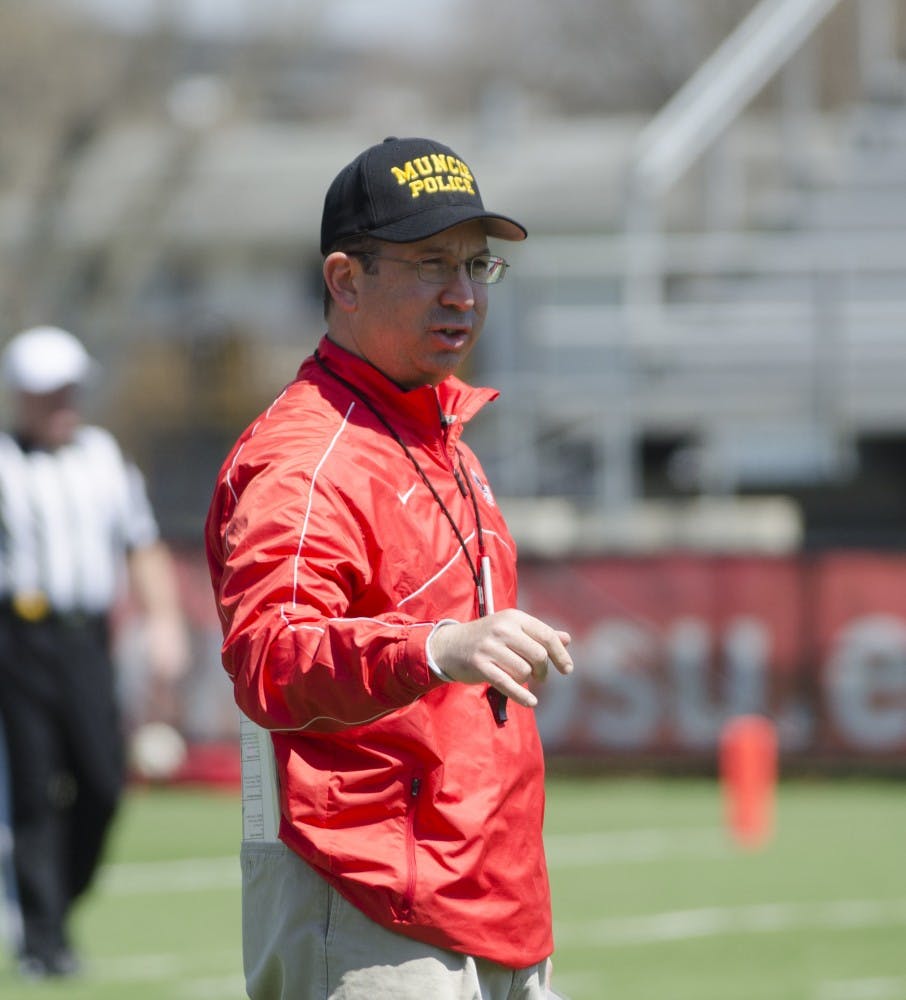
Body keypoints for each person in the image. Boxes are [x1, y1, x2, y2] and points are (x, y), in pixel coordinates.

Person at [205, 136, 574, 1000]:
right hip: (368, 896)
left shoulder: (434, 431)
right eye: (429, 263)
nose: (462, 293)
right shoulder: (306, 458)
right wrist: (436, 647)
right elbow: (269, 659)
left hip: (488, 888)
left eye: (477, 265)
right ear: (345, 279)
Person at [0, 325, 190, 980]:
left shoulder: (104, 456)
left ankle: (51, 907)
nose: (64, 404)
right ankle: (43, 940)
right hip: (18, 638)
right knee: (32, 790)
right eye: (50, 393)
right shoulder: (3, 461)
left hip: (86, 641)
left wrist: (163, 622)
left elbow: (140, 543)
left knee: (103, 783)